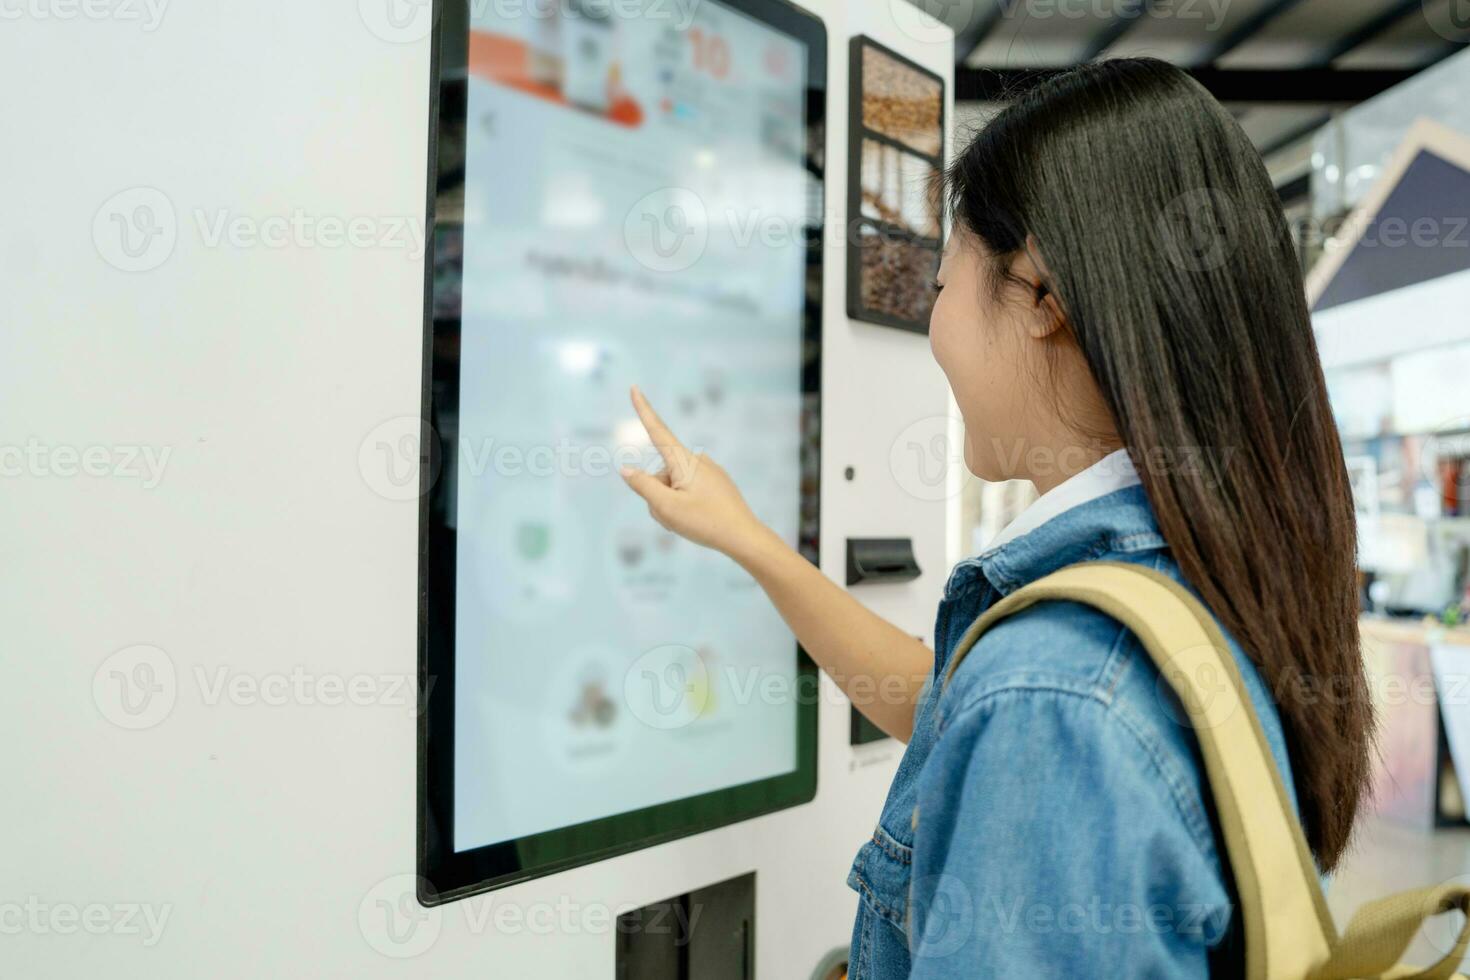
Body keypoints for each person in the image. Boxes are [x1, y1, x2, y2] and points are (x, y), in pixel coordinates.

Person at [619, 57, 1373, 977]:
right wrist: (749, 540)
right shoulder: (1196, 584)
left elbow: (1023, 712)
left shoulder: (1053, 693)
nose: (933, 326)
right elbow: (944, 704)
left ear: (1044, 296)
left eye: (940, 287)